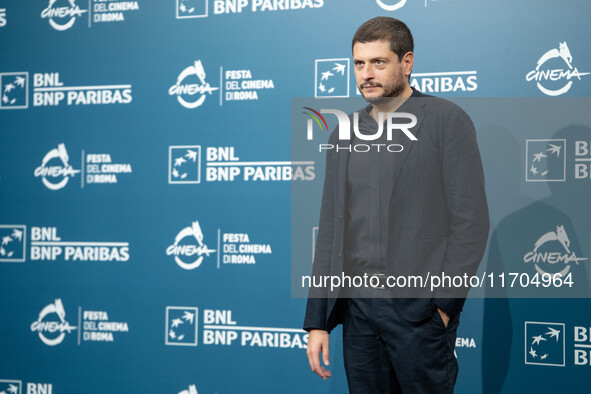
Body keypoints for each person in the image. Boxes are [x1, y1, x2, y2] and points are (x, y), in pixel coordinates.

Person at [303, 17, 489, 393]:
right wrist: (318, 320)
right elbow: (331, 229)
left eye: (378, 62)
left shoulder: (445, 120)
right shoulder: (345, 131)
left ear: (407, 62)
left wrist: (442, 307)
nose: (366, 74)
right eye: (359, 63)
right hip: (357, 310)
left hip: (418, 311)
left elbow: (471, 223)